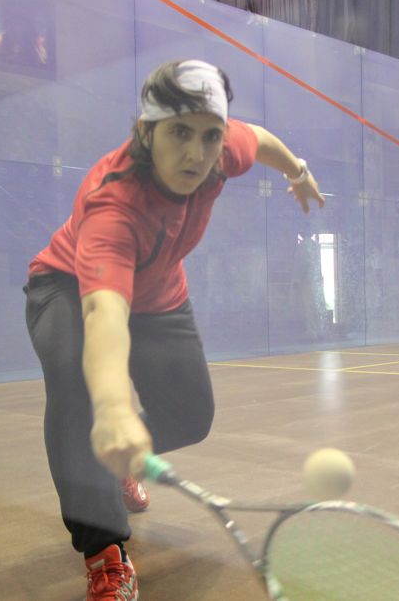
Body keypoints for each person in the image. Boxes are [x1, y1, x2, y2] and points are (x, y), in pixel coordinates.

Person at [23, 59, 324, 600]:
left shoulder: (221, 151)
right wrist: (113, 412)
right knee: (77, 393)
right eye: (179, 132)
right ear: (146, 130)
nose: (195, 152)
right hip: (68, 288)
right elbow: (104, 315)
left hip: (160, 296)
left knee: (191, 414)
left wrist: (298, 173)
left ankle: (111, 465)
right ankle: (105, 553)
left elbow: (256, 138)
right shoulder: (112, 203)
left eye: (208, 137)